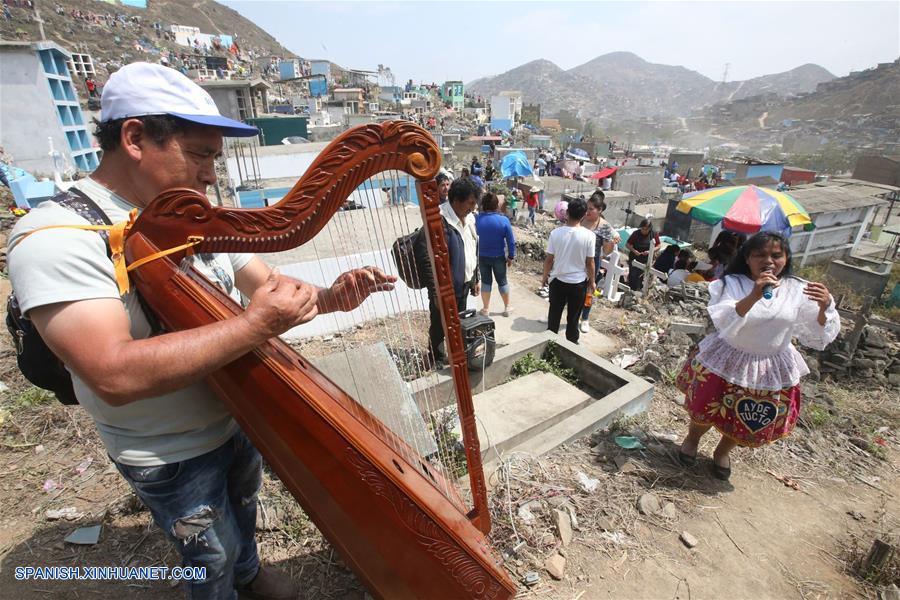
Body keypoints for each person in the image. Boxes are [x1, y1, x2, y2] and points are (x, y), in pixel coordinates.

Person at [7, 63, 397, 600]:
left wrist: (331, 297)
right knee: (206, 553)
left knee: (242, 506)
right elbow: (113, 373)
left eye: (215, 158)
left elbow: (268, 285)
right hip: (166, 453)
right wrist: (257, 323)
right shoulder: (57, 237)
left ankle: (249, 574)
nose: (212, 175)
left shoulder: (191, 216)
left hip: (238, 415)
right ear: (136, 137)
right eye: (200, 155)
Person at [675, 232, 839, 481]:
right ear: (748, 258)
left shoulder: (798, 289)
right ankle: (692, 439)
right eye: (760, 255)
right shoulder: (732, 284)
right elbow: (725, 320)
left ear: (786, 258)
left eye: (776, 255)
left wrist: (824, 308)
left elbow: (816, 334)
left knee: (745, 415)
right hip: (728, 357)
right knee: (706, 408)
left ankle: (721, 453)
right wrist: (754, 294)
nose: (769, 261)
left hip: (768, 366)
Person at [428, 177, 480, 365]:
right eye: (470, 203)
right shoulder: (439, 220)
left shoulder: (471, 218)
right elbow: (430, 260)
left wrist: (475, 277)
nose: (472, 208)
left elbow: (474, 246)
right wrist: (436, 291)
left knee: (458, 322)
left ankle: (455, 354)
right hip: (445, 288)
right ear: (456, 200)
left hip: (464, 284)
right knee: (439, 324)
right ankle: (436, 357)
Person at [540, 198, 595, 344]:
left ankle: (549, 345)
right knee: (573, 319)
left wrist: (544, 276)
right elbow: (590, 263)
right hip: (578, 284)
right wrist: (593, 282)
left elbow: (549, 260)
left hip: (557, 282)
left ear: (568, 213)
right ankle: (571, 347)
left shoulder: (556, 233)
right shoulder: (589, 236)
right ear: (583, 215)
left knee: (554, 316)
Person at [579, 192, 619, 333]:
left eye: (591, 209)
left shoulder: (605, 226)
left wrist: (611, 243)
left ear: (599, 210)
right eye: (587, 208)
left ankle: (585, 318)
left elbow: (606, 251)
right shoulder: (581, 218)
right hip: (576, 258)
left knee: (589, 289)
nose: (587, 211)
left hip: (592, 261)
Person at [475, 193, 515, 317]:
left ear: (483, 205)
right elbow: (511, 241)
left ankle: (486, 309)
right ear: (496, 205)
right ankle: (507, 307)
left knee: (486, 282)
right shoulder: (503, 220)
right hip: (498, 256)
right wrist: (511, 257)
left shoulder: (476, 219)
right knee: (502, 281)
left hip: (482, 256)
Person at [625, 218, 661, 290]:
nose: (644, 231)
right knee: (633, 275)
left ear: (650, 229)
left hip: (646, 259)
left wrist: (651, 251)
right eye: (642, 228)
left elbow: (659, 245)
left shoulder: (653, 234)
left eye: (646, 229)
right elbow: (628, 244)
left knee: (641, 276)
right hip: (634, 257)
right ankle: (631, 289)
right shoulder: (636, 233)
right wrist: (634, 251)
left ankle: (640, 289)